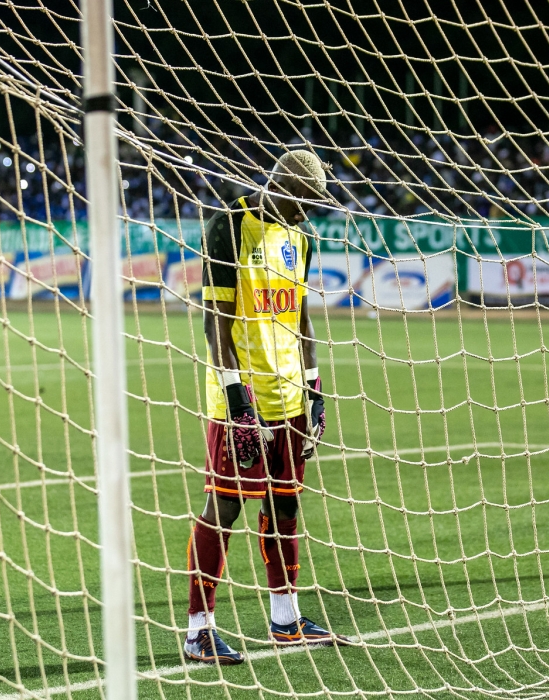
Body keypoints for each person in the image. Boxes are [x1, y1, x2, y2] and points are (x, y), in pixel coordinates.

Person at [183, 150, 349, 665]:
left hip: (290, 396)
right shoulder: (229, 226)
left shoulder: (303, 239)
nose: (310, 211)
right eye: (305, 200)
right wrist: (237, 400)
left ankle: (285, 618)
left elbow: (301, 318)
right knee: (225, 506)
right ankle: (198, 630)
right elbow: (216, 320)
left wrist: (315, 385)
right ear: (281, 186)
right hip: (242, 398)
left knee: (286, 506)